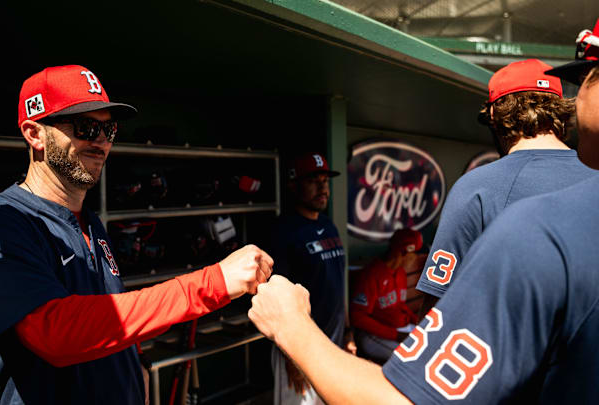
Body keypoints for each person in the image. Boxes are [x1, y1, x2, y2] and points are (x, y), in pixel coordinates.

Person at [247, 18, 599, 404]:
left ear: (496, 117)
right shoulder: (588, 183)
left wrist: (290, 326)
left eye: (589, 75)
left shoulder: (479, 188)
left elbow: (434, 319)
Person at [0, 65, 273, 405]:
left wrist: (133, 370)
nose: (101, 142)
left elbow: (109, 318)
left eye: (109, 129)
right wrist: (212, 283)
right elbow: (55, 334)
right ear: (35, 134)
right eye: (86, 127)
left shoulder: (90, 222)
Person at [416, 58, 596, 314]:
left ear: (493, 114)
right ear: (560, 107)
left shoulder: (478, 186)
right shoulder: (594, 173)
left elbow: (438, 305)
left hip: (514, 349)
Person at [267, 153, 354, 405]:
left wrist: (347, 333)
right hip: (300, 350)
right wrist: (291, 357)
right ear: (294, 185)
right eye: (313, 181)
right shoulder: (282, 231)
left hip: (332, 346)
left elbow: (338, 284)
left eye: (325, 180)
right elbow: (278, 301)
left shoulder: (329, 225)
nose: (322, 187)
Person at [349, 229, 423, 363]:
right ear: (402, 253)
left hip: (398, 330)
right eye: (415, 254)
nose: (416, 258)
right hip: (372, 336)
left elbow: (399, 305)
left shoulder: (400, 272)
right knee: (412, 360)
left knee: (430, 347)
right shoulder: (371, 276)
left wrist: (416, 321)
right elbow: (358, 317)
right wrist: (396, 335)